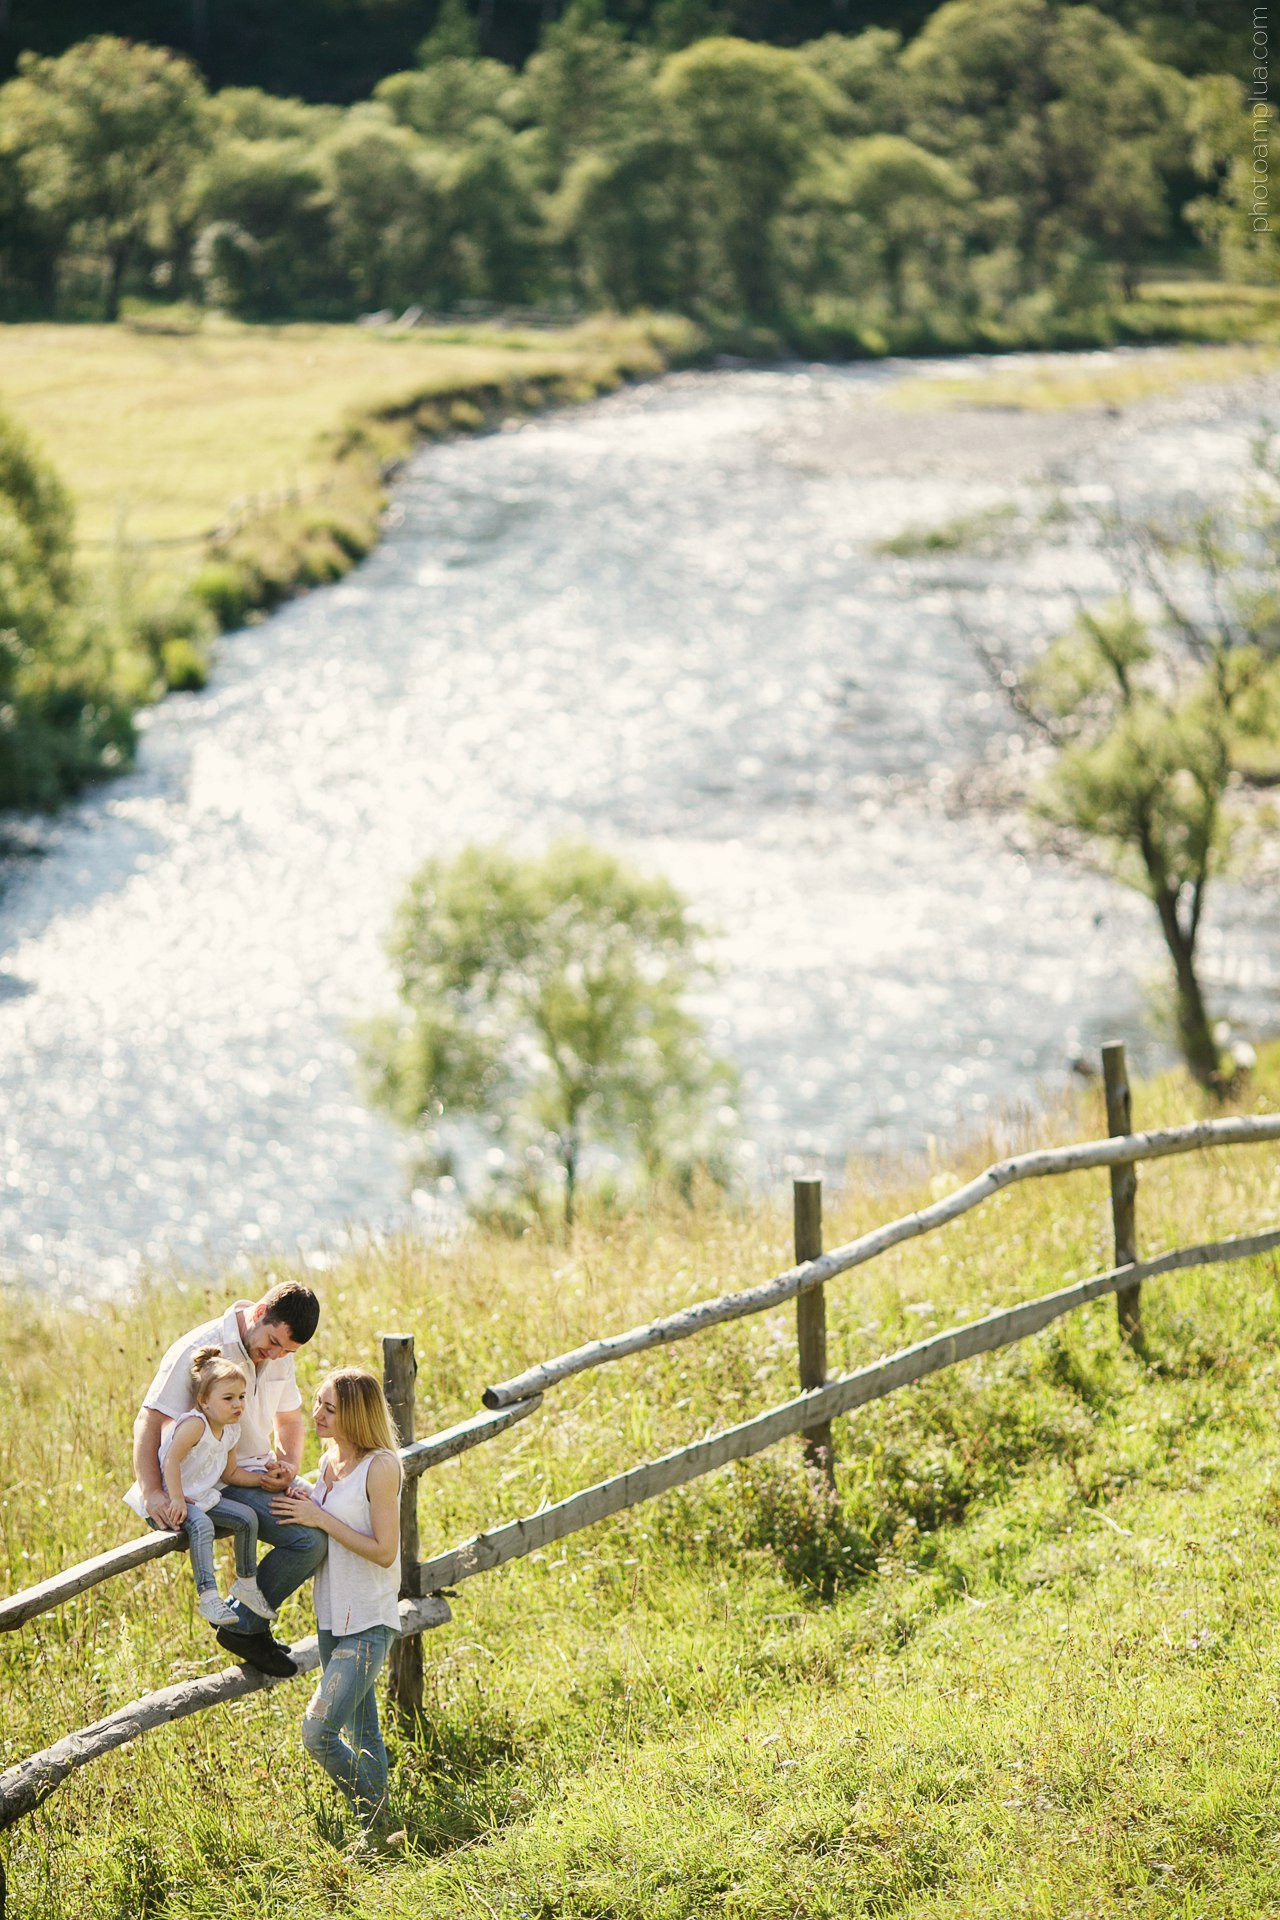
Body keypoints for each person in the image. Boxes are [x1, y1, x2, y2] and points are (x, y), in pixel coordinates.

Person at [131, 1279, 322, 1676]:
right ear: (259, 1312)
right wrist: (152, 1492)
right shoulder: (201, 1347)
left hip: (256, 1471)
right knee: (309, 1541)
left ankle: (253, 1626)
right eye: (273, 1342)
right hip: (214, 1481)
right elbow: (150, 1421)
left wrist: (288, 1465)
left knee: (332, 1512)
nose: (276, 1355)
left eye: (287, 1351)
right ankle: (245, 1628)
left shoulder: (279, 1352)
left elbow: (289, 1419)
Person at [272, 1367, 403, 1842]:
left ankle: (382, 1820)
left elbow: (384, 1551)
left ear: (356, 1414)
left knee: (317, 1731)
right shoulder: (329, 1463)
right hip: (331, 1617)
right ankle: (378, 1834)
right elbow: (323, 1515)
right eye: (318, 1403)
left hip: (368, 1619)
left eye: (330, 1408)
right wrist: (300, 1493)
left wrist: (319, 1517)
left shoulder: (380, 1467)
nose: (317, 1414)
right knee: (362, 1733)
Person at [124, 1346, 273, 1628]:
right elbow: (170, 1460)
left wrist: (263, 1479)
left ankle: (246, 1583)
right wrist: (176, 1499)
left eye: (241, 1397)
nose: (238, 1404)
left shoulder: (232, 1430)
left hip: (200, 1497)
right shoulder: (195, 1424)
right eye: (228, 1398)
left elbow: (231, 1473)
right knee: (202, 1525)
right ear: (204, 1401)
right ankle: (208, 1597)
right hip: (169, 1500)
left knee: (247, 1518)